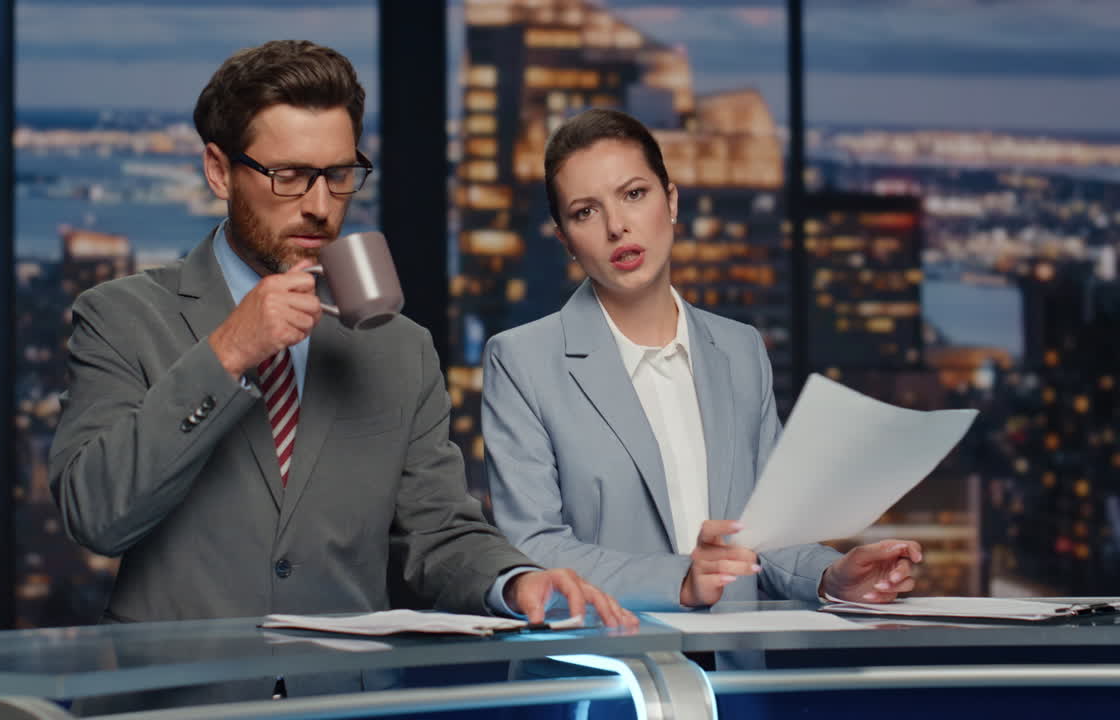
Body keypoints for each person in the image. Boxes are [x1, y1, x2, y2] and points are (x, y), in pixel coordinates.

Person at [48, 40, 634, 643]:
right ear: (219, 170)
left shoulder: (399, 349)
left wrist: (513, 583)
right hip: (181, 697)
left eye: (338, 175)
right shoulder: (120, 315)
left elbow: (436, 531)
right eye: (290, 177)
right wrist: (228, 351)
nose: (321, 207)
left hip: (341, 696)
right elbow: (95, 515)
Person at [481, 108, 923, 612]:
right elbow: (533, 548)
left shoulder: (740, 350)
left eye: (633, 194)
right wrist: (681, 581)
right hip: (603, 670)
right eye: (586, 211)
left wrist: (830, 575)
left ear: (670, 202)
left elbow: (764, 535)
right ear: (565, 239)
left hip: (734, 675)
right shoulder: (522, 361)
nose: (617, 227)